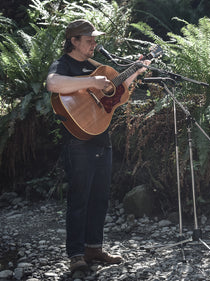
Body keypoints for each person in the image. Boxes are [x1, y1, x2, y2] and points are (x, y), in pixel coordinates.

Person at [46, 19, 150, 273]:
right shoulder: (63, 64)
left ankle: (94, 248)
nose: (94, 43)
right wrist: (92, 82)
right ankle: (76, 254)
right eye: (89, 39)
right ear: (74, 41)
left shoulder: (97, 66)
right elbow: (54, 84)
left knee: (100, 197)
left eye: (94, 39)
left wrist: (136, 70)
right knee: (79, 197)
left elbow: (116, 94)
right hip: (77, 141)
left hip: (101, 137)